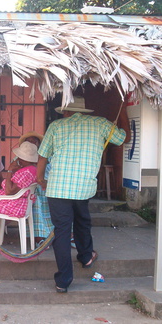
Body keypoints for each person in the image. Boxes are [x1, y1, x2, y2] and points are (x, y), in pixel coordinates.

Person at [37, 96, 129, 293]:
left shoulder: (56, 126)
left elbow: (43, 155)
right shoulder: (100, 124)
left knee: (61, 231)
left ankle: (63, 281)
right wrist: (123, 114)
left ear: (65, 112)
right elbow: (123, 139)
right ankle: (86, 256)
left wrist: (40, 179)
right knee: (82, 221)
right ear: (83, 111)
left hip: (58, 187)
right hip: (83, 187)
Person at [17, 132, 54, 247]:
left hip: (48, 186)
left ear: (39, 144)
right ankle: (39, 237)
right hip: (28, 189)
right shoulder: (19, 157)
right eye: (29, 141)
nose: (32, 143)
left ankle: (62, 235)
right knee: (35, 200)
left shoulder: (47, 156)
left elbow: (51, 173)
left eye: (35, 141)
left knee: (62, 201)